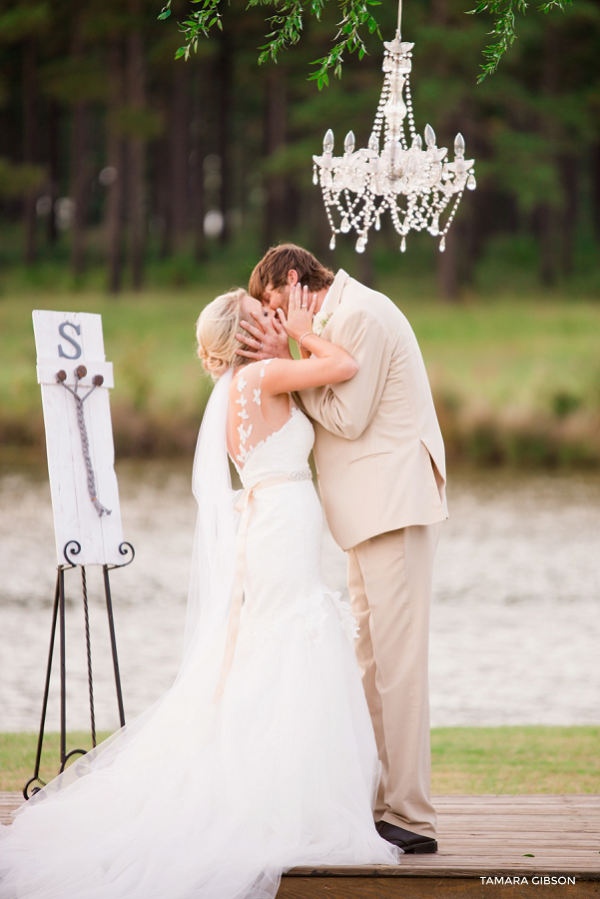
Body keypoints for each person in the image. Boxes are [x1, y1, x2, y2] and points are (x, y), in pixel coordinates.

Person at [0, 285, 399, 899]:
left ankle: (272, 784)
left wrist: (283, 338)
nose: (271, 314)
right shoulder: (265, 375)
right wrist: (299, 331)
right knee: (294, 639)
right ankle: (284, 798)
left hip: (271, 524)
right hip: (281, 522)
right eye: (259, 312)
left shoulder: (234, 390)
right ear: (244, 335)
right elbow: (344, 366)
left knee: (276, 644)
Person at [238, 244, 448, 854]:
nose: (273, 322)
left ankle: (412, 814)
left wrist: (292, 358)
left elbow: (348, 418)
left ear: (294, 282)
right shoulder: (338, 319)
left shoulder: (359, 315)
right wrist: (298, 353)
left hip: (394, 505)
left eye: (272, 306)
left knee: (399, 666)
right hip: (367, 513)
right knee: (372, 662)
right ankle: (380, 803)